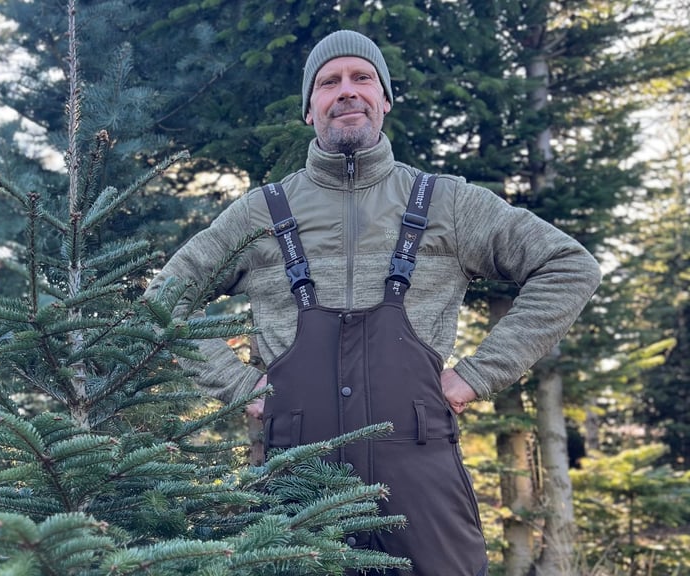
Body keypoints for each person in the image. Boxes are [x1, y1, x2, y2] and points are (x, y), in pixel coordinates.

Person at [146, 29, 601, 575]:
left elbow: (570, 266)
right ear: (309, 109)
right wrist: (238, 385)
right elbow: (162, 300)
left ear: (384, 99)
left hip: (422, 476)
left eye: (362, 78)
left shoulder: (448, 203)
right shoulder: (257, 215)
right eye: (329, 82)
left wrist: (477, 375)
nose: (347, 91)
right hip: (296, 482)